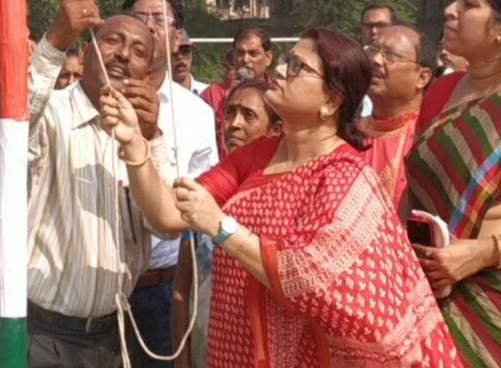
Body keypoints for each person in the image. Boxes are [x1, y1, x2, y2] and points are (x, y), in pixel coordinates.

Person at [101, 26, 459, 365]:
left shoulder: (344, 175)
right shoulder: (255, 155)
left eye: (298, 66)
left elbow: (310, 277)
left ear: (331, 101)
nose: (282, 69)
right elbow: (167, 216)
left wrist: (222, 228)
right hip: (233, 345)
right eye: (287, 59)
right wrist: (135, 143)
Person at [25, 0, 179, 365]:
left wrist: (148, 138)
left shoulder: (145, 133)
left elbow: (168, 224)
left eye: (140, 52)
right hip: (43, 333)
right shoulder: (52, 112)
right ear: (88, 51)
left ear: (149, 74)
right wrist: (55, 41)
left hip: (112, 337)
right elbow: (16, 118)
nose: (125, 55)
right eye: (113, 41)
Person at [118, 0, 220, 365]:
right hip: (95, 292)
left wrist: (150, 140)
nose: (148, 27)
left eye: (160, 20)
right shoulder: (94, 100)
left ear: (178, 37)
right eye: (138, 18)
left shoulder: (196, 115)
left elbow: (195, 207)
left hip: (161, 291)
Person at [407, 0, 501, 364]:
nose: (450, 10)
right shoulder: (439, 92)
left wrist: (483, 253)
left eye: (468, 3)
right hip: (426, 291)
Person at [172, 78, 280, 367]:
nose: (234, 124)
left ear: (275, 130)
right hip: (204, 350)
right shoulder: (204, 191)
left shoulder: (284, 194)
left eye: (249, 115)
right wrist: (181, 360)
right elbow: (183, 287)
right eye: (230, 112)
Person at [358, 24, 434, 209]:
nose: (375, 60)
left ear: (422, 77)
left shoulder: (429, 140)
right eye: (373, 50)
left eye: (391, 55)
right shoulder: (345, 133)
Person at [200, 26, 274, 158]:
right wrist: (228, 104)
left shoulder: (278, 95)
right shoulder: (212, 95)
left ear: (268, 58)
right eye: (240, 53)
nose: (245, 60)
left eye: (253, 53)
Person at [173, 30, 207, 96]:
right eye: (174, 52)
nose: (180, 57)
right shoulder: (156, 96)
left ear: (192, 55)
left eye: (185, 51)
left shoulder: (207, 93)